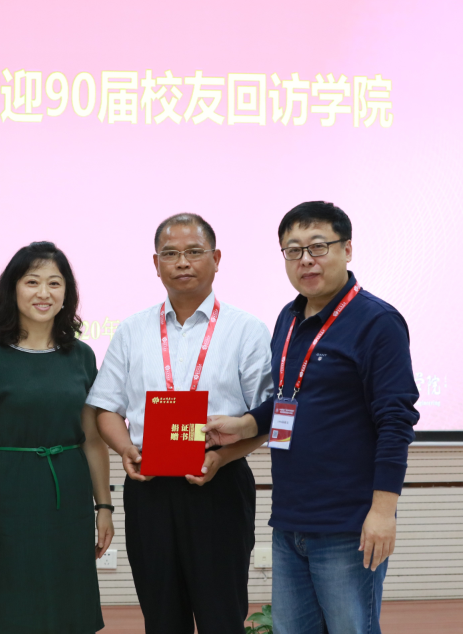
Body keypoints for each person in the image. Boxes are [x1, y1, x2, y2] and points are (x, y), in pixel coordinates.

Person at [203, 201, 419, 634]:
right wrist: (245, 425)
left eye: (318, 246)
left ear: (347, 249)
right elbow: (288, 399)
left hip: (348, 524)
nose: (306, 260)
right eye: (293, 250)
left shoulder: (377, 322)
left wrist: (383, 512)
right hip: (290, 519)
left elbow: (395, 422)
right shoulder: (288, 317)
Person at [86, 213, 273, 634]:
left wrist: (221, 458)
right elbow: (106, 408)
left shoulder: (246, 330)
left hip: (219, 481)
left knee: (222, 615)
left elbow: (263, 417)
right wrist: (126, 448)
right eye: (170, 254)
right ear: (156, 264)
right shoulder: (132, 330)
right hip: (149, 484)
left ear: (216, 259)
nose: (182, 262)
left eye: (194, 251)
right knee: (161, 615)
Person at [0, 241, 113, 634]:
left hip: (70, 492)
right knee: (11, 602)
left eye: (54, 283)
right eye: (32, 282)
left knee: (69, 600)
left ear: (66, 293)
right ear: (12, 288)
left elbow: (92, 439)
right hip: (9, 491)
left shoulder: (81, 355)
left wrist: (104, 506)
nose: (43, 293)